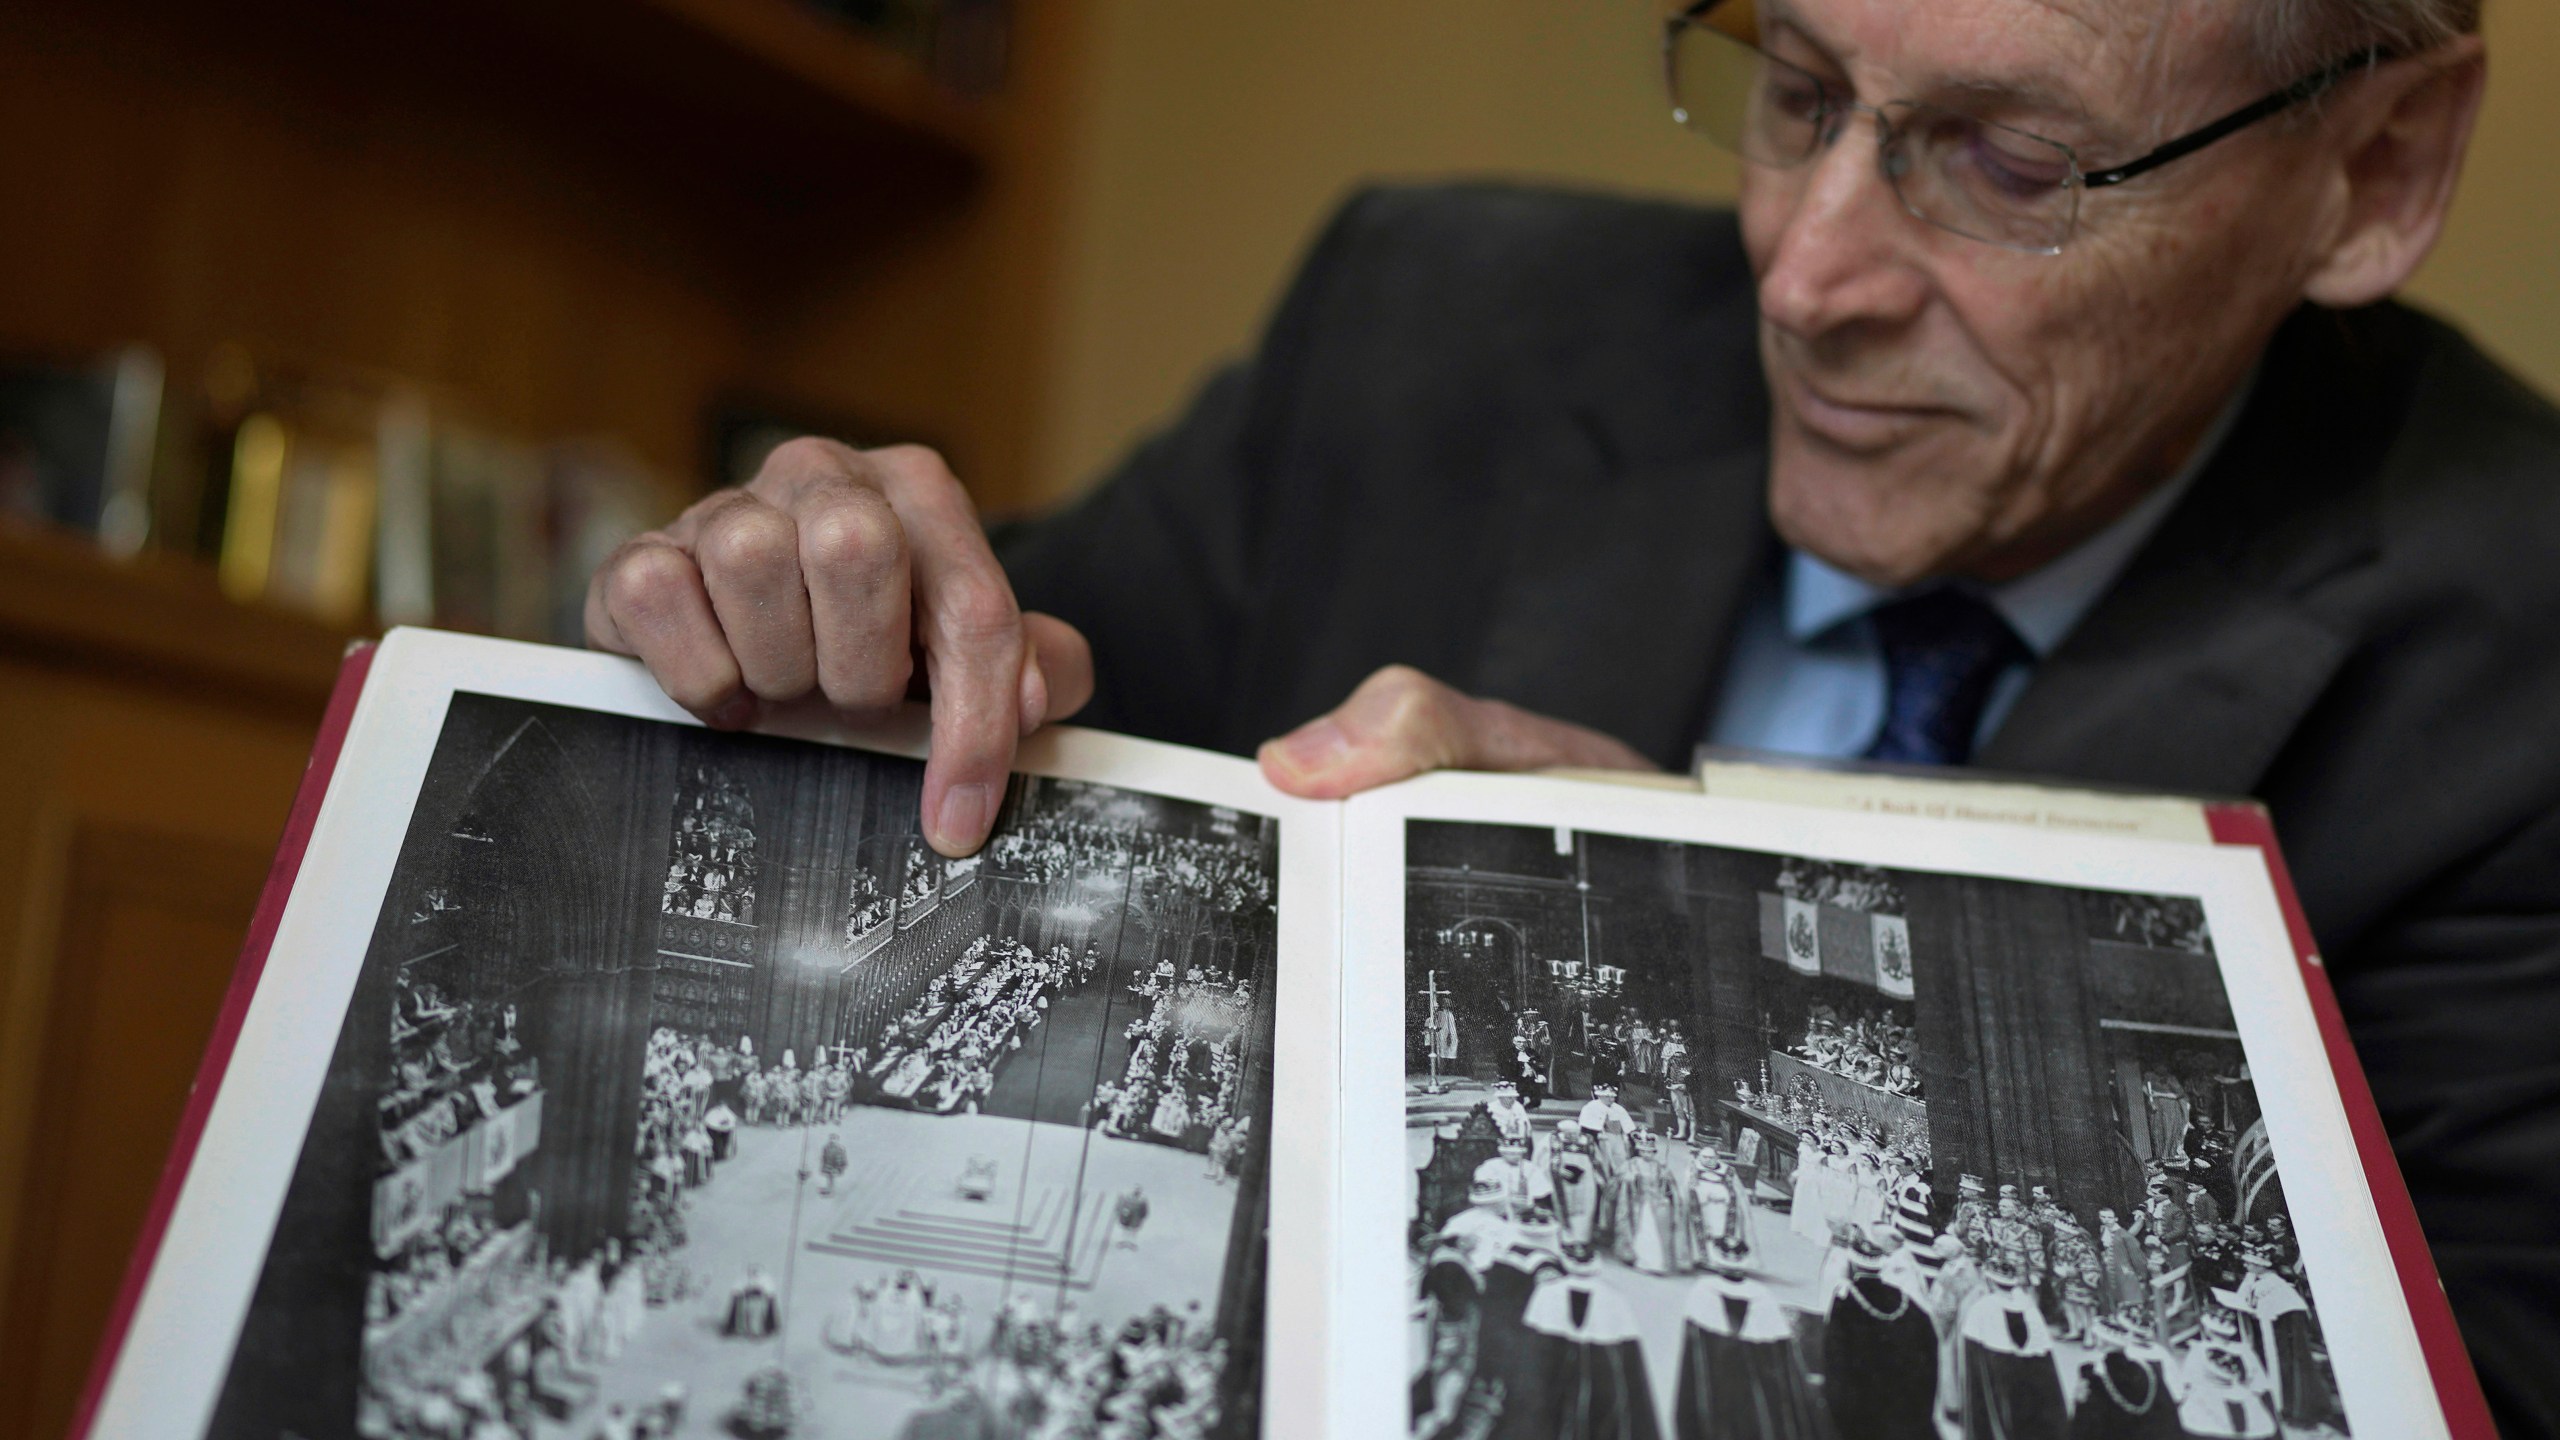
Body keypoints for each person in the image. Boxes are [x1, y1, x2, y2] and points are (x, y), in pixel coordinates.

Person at [588, 0, 2559, 1428]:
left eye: (2008, 163)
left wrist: (1699, 959)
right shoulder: (1424, 322)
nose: (1801, 275)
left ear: (2368, 169)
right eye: (1791, 90)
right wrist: (822, 611)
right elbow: (999, 694)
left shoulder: (2515, 655)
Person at [1672, 1237, 1823, 1440]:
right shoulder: (1764, 1298)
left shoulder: (1701, 1293)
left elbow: (1690, 1363)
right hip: (1751, 1403)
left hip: (1714, 1393)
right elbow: (1782, 1365)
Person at [1820, 1227, 1939, 1440]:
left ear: (1853, 1264)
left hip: (1862, 1416)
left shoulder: (1845, 1302)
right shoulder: (1906, 1302)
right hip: (1902, 1413)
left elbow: (1835, 1362)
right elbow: (1930, 1354)